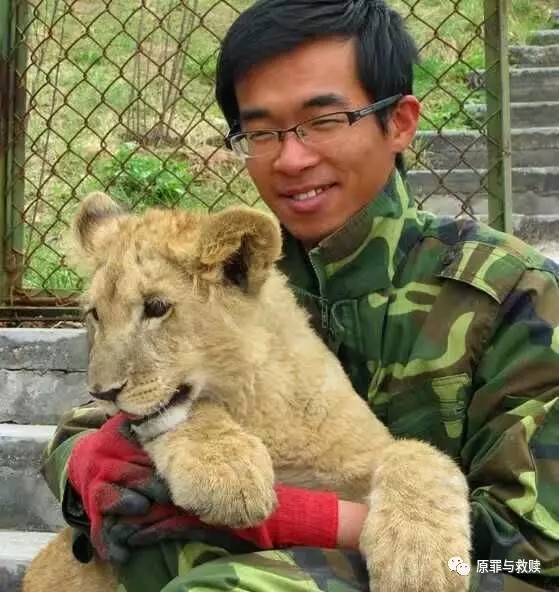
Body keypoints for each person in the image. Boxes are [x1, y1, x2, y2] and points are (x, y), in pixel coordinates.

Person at [41, 0, 559, 591]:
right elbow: (104, 412)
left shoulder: (513, 288)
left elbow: (530, 561)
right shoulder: (220, 267)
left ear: (401, 122)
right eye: (260, 132)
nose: (291, 158)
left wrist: (320, 521)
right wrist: (78, 462)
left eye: (324, 121)